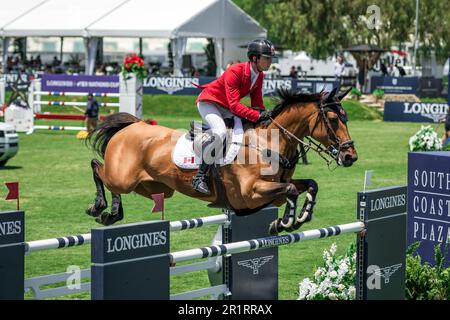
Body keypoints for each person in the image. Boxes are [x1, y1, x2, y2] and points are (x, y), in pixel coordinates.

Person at [191, 39, 276, 195]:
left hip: (226, 107)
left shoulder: (260, 75)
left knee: (245, 130)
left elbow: (257, 103)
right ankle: (199, 177)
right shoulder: (235, 71)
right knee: (221, 132)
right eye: (267, 57)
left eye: (271, 58)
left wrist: (267, 116)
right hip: (209, 103)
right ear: (255, 58)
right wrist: (257, 115)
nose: (270, 61)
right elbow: (235, 106)